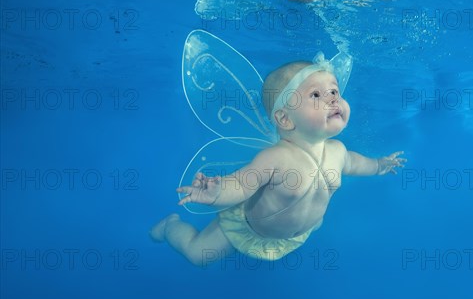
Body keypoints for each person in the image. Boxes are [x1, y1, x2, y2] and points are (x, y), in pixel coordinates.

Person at [150, 60, 406, 266]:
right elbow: (242, 184)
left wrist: (378, 165)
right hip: (249, 227)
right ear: (285, 119)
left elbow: (354, 163)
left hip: (296, 233)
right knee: (198, 255)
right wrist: (217, 193)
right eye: (316, 94)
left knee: (316, 219)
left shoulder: (338, 150)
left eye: (334, 91)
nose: (333, 99)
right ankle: (170, 227)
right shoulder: (276, 158)